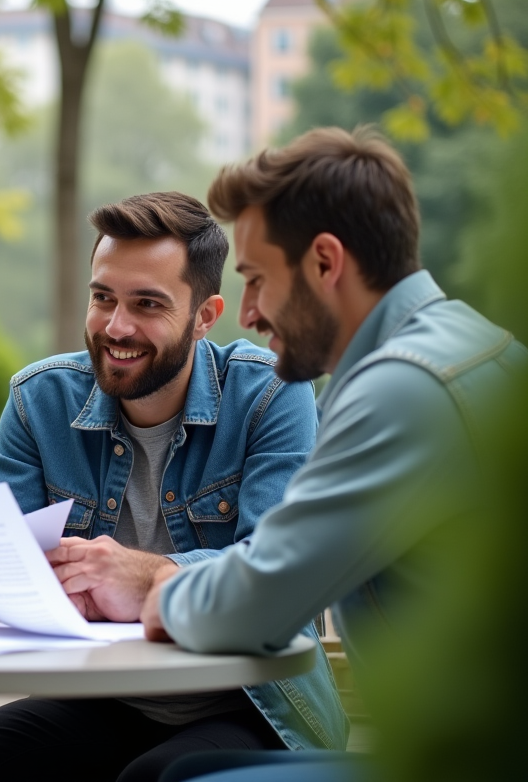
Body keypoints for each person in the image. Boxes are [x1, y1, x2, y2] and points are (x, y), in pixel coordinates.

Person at [0, 191, 347, 782]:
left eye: (147, 304)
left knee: (153, 780)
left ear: (205, 316)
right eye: (103, 298)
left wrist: (145, 577)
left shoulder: (272, 394)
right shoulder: (40, 401)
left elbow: (284, 583)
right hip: (107, 697)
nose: (117, 326)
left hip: (248, 702)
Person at [137, 127, 527, 781]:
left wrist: (165, 592)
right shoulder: (472, 342)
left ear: (325, 262)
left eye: (258, 280)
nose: (251, 314)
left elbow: (261, 599)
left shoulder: (405, 388)